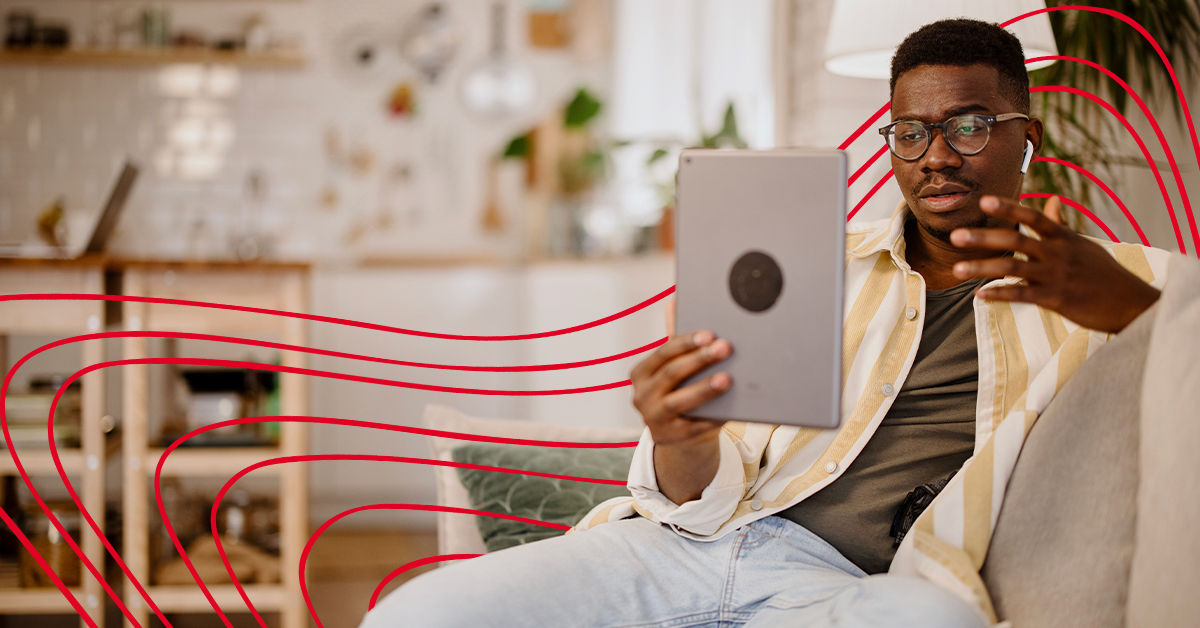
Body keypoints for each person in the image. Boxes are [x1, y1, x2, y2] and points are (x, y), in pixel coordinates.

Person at [361, 18, 1169, 627]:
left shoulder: (1112, 282)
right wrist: (683, 439)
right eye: (910, 132)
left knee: (936, 622)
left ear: (1024, 139)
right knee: (414, 616)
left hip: (847, 590)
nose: (935, 157)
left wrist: (1131, 309)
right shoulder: (813, 263)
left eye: (968, 125)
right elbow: (692, 496)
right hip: (682, 545)